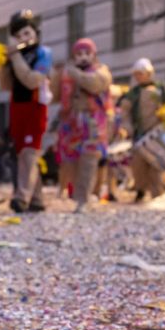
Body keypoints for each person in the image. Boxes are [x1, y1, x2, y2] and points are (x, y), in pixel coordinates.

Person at [0, 10, 52, 213]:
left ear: (35, 32)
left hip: (35, 107)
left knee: (30, 152)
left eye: (27, 33)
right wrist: (3, 64)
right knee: (23, 153)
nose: (24, 39)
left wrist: (16, 58)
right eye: (19, 36)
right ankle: (37, 199)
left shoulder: (43, 53)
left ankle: (21, 196)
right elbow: (6, 85)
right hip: (17, 107)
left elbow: (32, 80)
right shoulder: (15, 56)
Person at [51, 38, 112, 213]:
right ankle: (78, 196)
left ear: (94, 55)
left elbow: (93, 84)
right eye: (79, 54)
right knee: (71, 163)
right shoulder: (68, 74)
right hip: (71, 124)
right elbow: (55, 96)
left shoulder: (102, 71)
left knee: (89, 161)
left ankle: (84, 199)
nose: (83, 57)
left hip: (93, 123)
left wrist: (73, 73)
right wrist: (57, 76)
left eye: (87, 53)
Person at [118, 58, 165, 200]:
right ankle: (140, 191)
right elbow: (125, 111)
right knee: (138, 164)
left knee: (157, 165)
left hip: (158, 131)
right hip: (140, 133)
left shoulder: (161, 89)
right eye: (136, 74)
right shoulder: (134, 93)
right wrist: (127, 127)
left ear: (148, 73)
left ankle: (158, 192)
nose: (138, 77)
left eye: (140, 73)